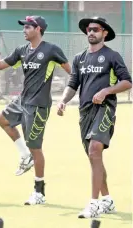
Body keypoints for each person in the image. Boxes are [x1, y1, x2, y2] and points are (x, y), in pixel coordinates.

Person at [0, 16, 71, 205]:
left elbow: (71, 72)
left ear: (39, 29)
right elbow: (1, 64)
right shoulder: (22, 51)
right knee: (2, 119)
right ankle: (24, 155)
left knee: (36, 148)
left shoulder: (51, 50)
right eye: (24, 27)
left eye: (28, 27)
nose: (24, 30)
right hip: (22, 100)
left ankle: (39, 192)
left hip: (39, 105)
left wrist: (69, 97)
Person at [57, 17, 132, 219]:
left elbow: (127, 82)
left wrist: (106, 91)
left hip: (105, 109)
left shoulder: (112, 56)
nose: (91, 32)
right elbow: (73, 84)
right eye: (89, 29)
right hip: (85, 113)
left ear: (104, 32)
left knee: (94, 150)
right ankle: (107, 199)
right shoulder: (79, 58)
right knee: (94, 158)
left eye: (96, 29)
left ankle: (94, 204)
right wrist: (63, 101)